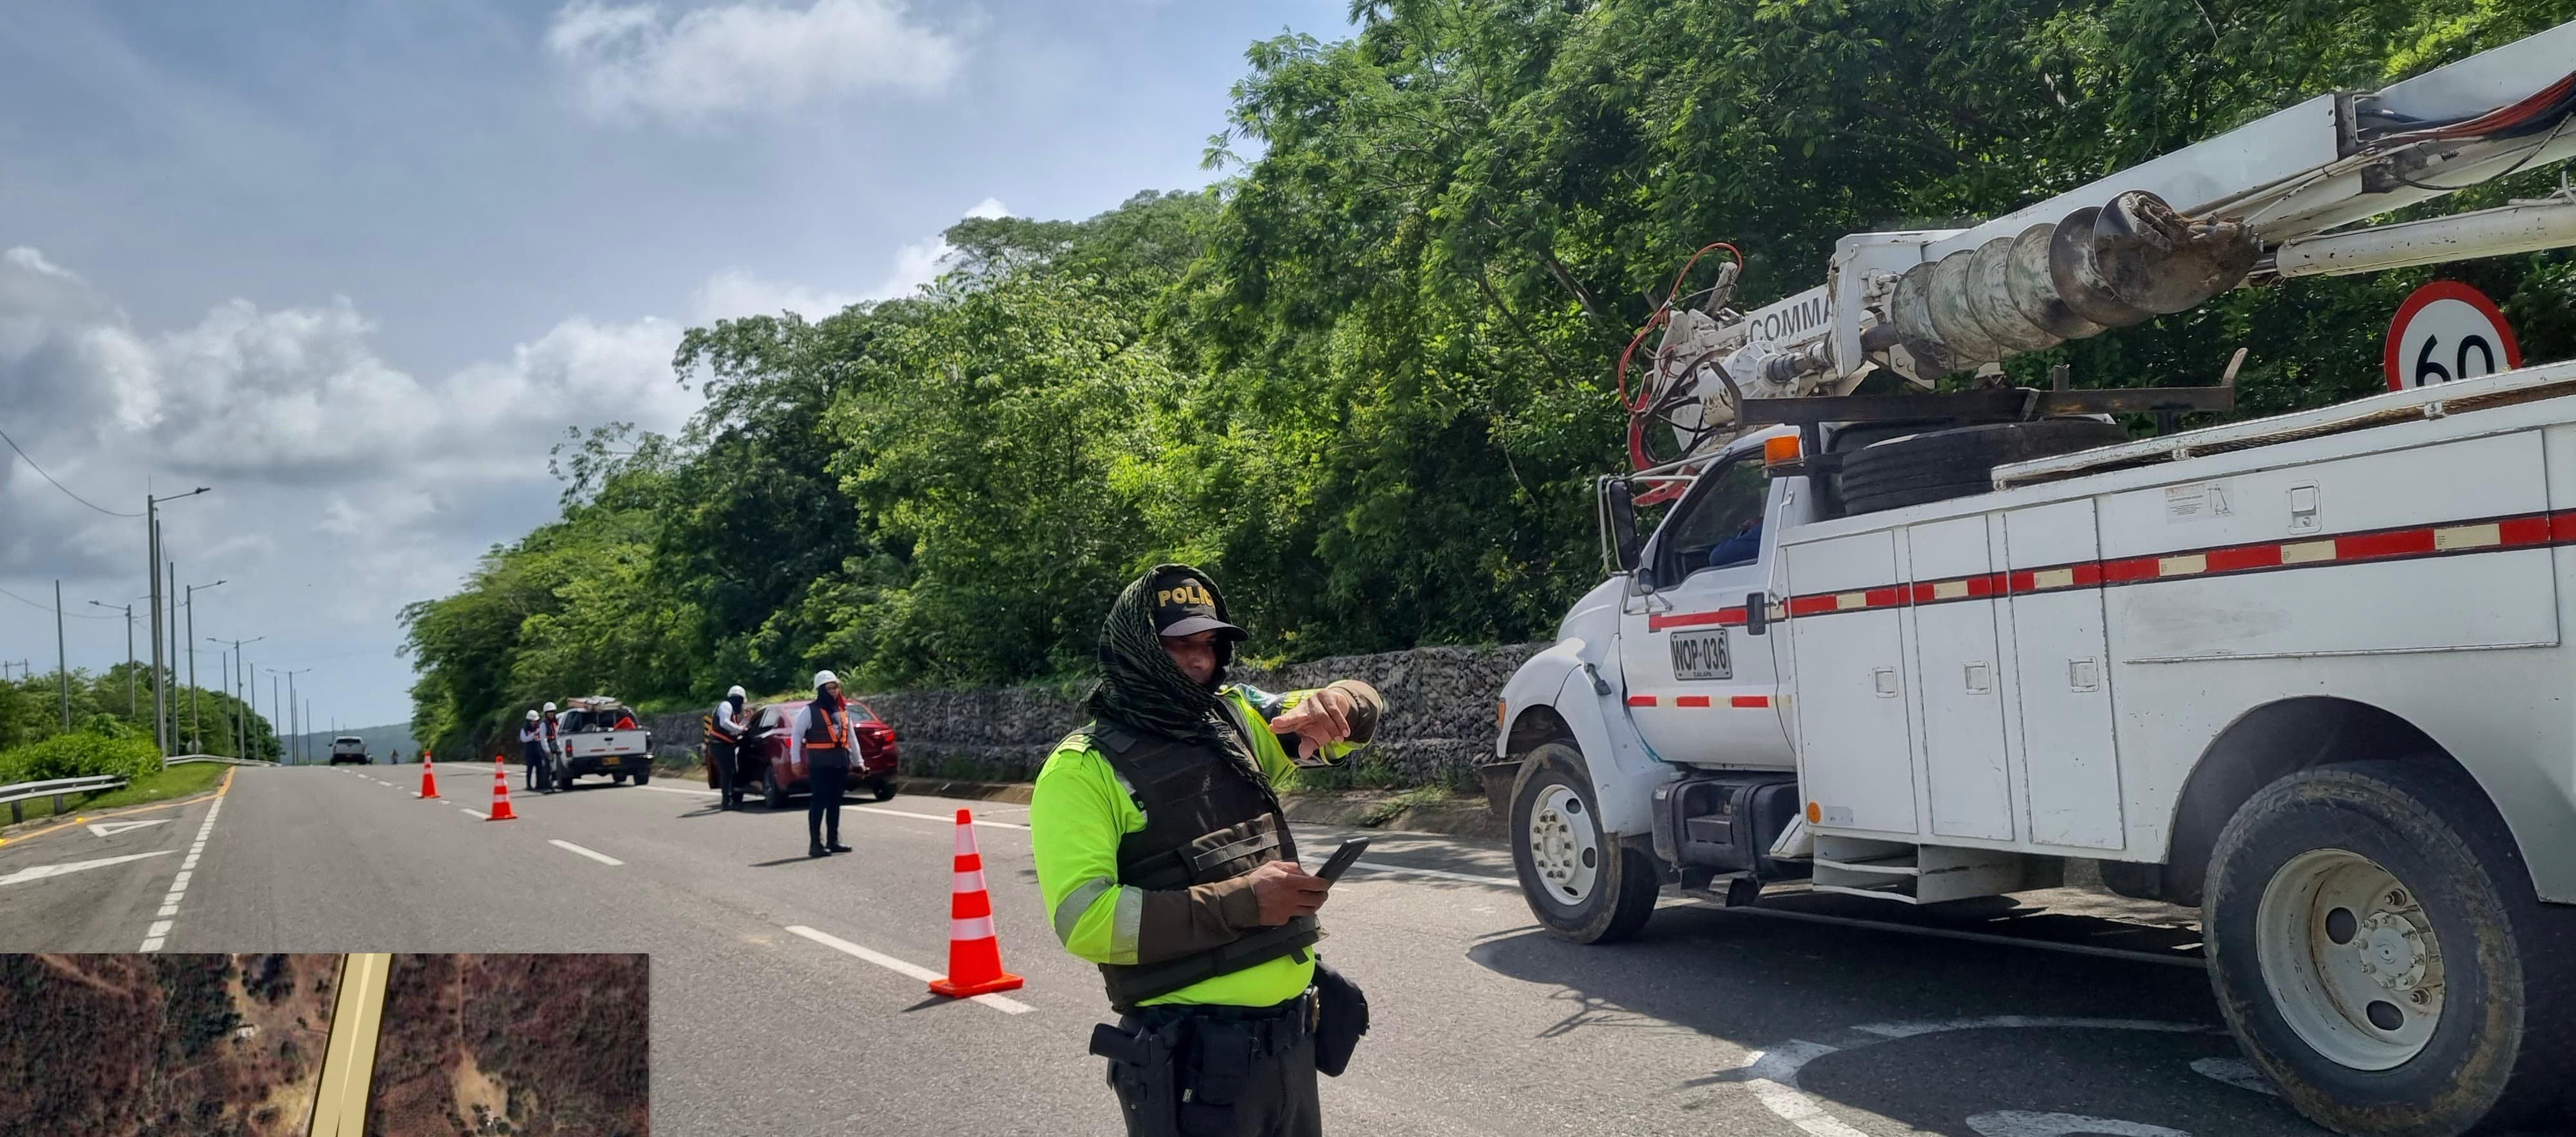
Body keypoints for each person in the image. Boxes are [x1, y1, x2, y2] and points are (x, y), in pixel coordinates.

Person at [1030, 564, 1386, 1137]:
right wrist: (1243, 902)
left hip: (1291, 1048)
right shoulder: (1081, 769)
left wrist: (1343, 699)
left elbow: (1354, 712)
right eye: (1179, 645)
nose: (1199, 660)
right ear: (1137, 647)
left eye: (1210, 644)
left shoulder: (1233, 721)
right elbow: (1086, 919)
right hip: (1196, 1066)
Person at [794, 671, 856, 857]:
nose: (834, 692)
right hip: (820, 764)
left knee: (835, 803)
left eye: (835, 687)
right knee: (819, 802)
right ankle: (816, 844)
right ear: (821, 690)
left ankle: (833, 841)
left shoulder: (842, 711)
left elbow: (852, 738)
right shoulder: (809, 711)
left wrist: (858, 761)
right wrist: (796, 760)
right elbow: (796, 736)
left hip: (840, 763)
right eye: (829, 689)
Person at [705, 685, 749, 810]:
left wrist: (745, 722)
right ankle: (727, 803)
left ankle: (732, 800)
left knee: (730, 772)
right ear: (738, 699)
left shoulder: (730, 709)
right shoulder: (726, 706)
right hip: (720, 746)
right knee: (727, 773)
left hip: (723, 746)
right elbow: (725, 723)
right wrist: (740, 729)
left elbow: (731, 728)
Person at [519, 710, 548, 790]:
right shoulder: (524, 729)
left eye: (536, 721)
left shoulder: (539, 728)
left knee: (540, 768)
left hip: (538, 751)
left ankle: (539, 784)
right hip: (530, 752)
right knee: (530, 768)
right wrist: (533, 735)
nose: (535, 723)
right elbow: (524, 739)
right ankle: (529, 785)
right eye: (533, 721)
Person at [538, 701, 561, 794]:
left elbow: (557, 736)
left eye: (553, 712)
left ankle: (553, 785)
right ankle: (547, 786)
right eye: (549, 712)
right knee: (547, 768)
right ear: (546, 713)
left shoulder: (555, 723)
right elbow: (543, 738)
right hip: (547, 747)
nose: (551, 714)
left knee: (555, 768)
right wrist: (547, 750)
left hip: (554, 746)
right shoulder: (544, 724)